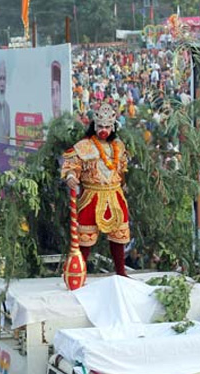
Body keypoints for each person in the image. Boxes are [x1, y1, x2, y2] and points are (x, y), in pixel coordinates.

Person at [61, 102, 130, 276]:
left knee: (119, 236)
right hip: (92, 195)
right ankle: (78, 273)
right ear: (94, 126)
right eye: (100, 126)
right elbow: (71, 165)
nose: (104, 130)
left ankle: (121, 272)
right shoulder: (84, 146)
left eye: (107, 126)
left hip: (115, 194)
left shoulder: (119, 146)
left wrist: (123, 182)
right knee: (84, 238)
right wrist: (70, 177)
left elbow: (122, 169)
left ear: (113, 126)